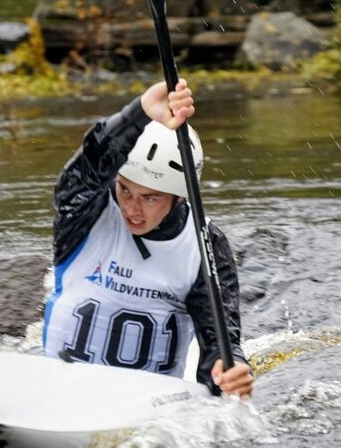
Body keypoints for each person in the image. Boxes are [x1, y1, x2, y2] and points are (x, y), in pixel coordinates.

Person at [42, 79, 254, 398]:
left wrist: (231, 369)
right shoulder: (85, 212)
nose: (132, 209)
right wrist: (139, 112)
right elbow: (91, 161)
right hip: (59, 392)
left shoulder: (203, 245)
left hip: (142, 407)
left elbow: (219, 342)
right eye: (124, 189)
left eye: (150, 198)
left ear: (180, 198)